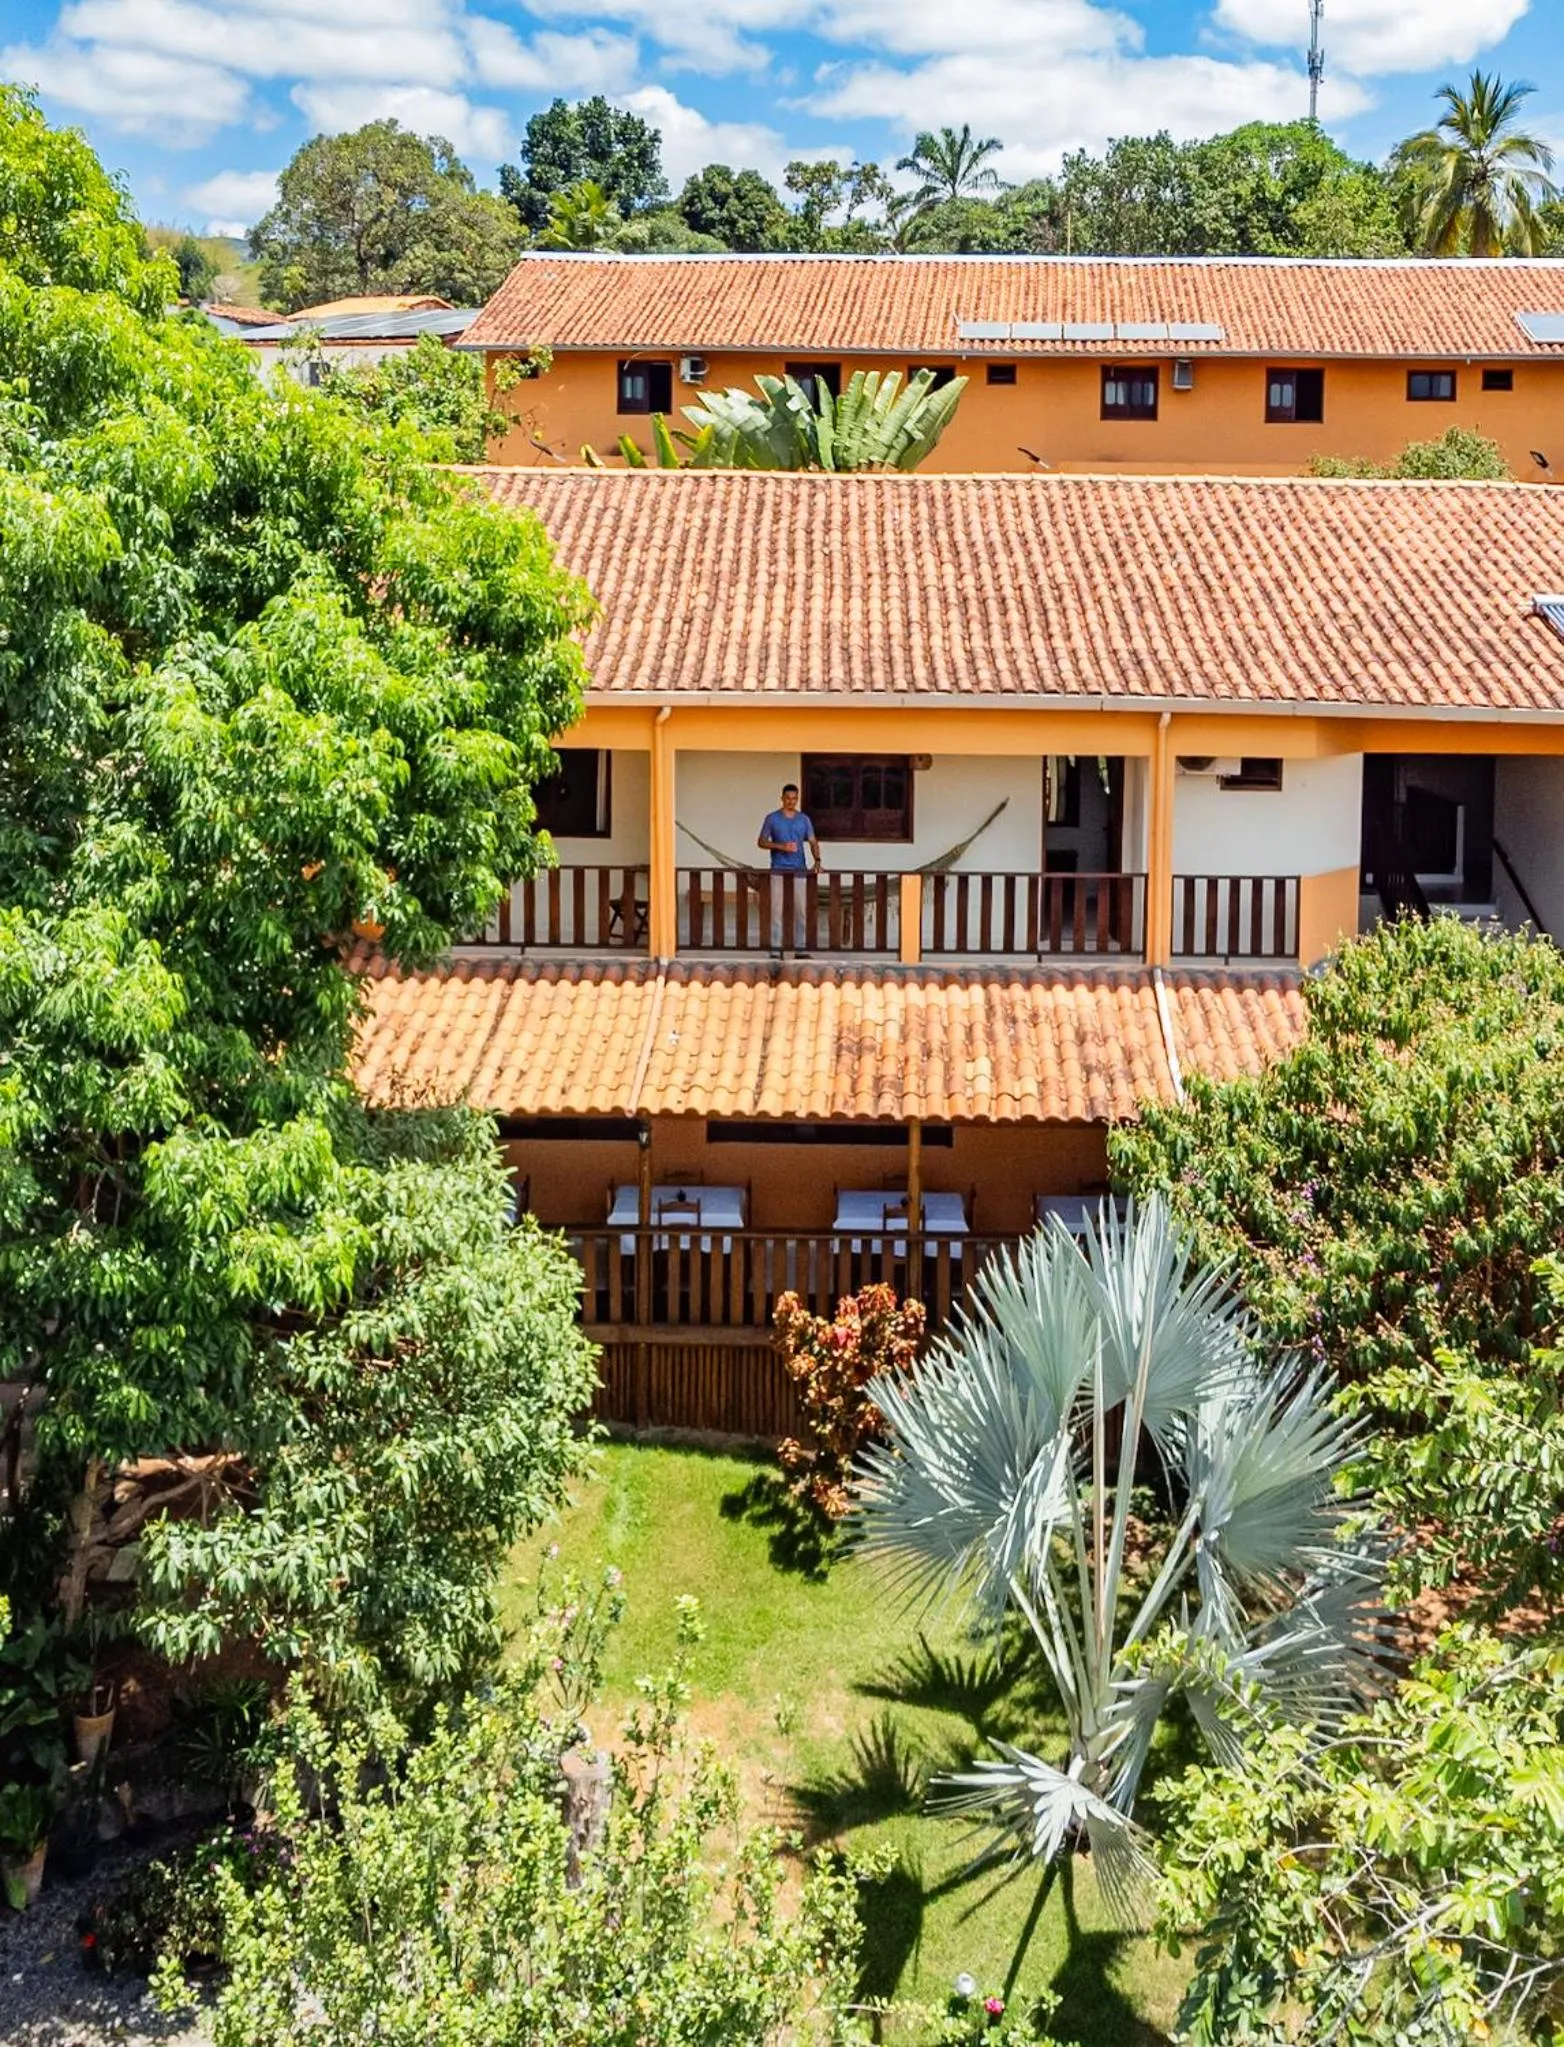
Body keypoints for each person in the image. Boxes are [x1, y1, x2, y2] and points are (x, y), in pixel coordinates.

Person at [756, 784, 823, 956]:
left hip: (799, 869)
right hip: (778, 868)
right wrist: (781, 846)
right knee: (776, 911)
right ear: (782, 798)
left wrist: (817, 861)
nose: (791, 802)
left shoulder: (804, 819)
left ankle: (800, 949)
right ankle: (775, 950)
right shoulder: (772, 818)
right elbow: (761, 842)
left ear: (797, 799)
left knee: (801, 911)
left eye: (794, 799)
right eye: (788, 798)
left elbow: (813, 841)